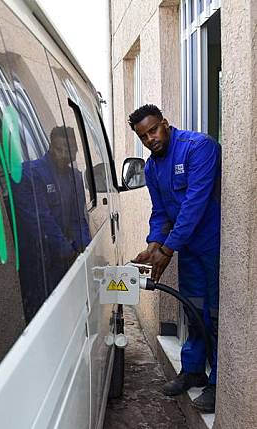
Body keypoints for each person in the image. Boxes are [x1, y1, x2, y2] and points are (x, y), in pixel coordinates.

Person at [129, 104, 221, 413]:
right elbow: (161, 213)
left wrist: (167, 250)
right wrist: (154, 244)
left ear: (165, 123)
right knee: (193, 310)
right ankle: (194, 369)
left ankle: (218, 383)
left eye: (153, 130)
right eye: (143, 136)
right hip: (188, 250)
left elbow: (194, 204)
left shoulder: (199, 148)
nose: (150, 139)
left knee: (217, 315)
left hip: (212, 247)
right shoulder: (152, 168)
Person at [13, 126, 91, 321]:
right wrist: (69, 252)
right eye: (60, 149)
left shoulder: (76, 177)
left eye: (70, 150)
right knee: (41, 320)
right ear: (50, 147)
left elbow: (78, 218)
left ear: (76, 152)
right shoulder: (29, 174)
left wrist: (86, 250)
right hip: (38, 265)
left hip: (67, 262)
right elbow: (41, 221)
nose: (65, 154)